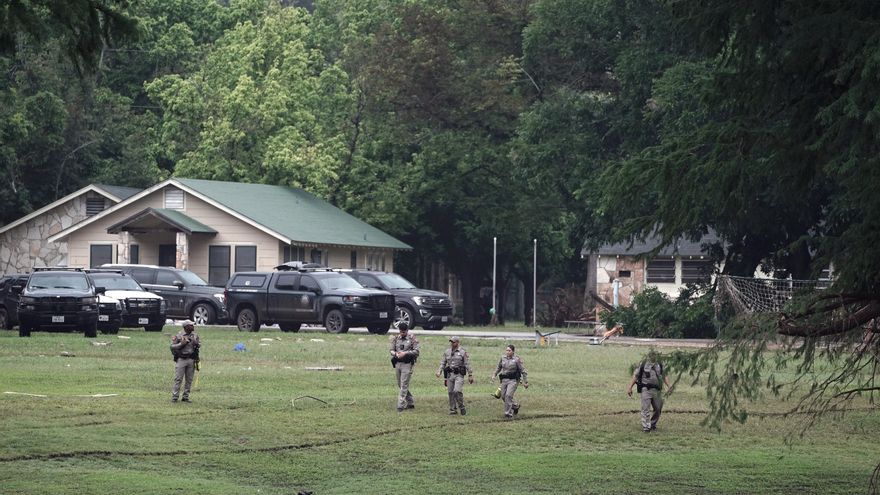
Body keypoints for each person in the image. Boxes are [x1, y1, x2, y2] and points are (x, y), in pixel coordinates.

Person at [626, 350, 672, 432]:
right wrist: (630, 387)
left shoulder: (660, 365)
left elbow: (664, 375)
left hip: (657, 390)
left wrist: (669, 386)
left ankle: (652, 424)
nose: (653, 357)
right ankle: (646, 427)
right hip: (646, 389)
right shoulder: (643, 364)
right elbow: (636, 376)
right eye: (652, 356)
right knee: (645, 408)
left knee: (658, 408)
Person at [436, 336, 474, 415]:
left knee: (457, 391)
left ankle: (461, 407)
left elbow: (467, 364)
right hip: (450, 374)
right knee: (450, 392)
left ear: (457, 342)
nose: (452, 343)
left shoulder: (463, 352)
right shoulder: (447, 352)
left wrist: (470, 375)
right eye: (451, 342)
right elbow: (443, 363)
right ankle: (453, 409)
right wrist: (439, 371)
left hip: (459, 374)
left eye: (453, 342)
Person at [491, 344, 528, 419]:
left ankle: (508, 414)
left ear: (513, 351)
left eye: (509, 350)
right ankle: (515, 406)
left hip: (513, 380)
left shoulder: (517, 360)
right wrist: (494, 374)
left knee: (508, 395)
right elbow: (499, 367)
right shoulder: (503, 358)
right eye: (506, 350)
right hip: (504, 380)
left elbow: (523, 371)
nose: (507, 352)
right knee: (504, 396)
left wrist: (525, 382)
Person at [389, 322, 420, 412]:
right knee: (400, 384)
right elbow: (391, 349)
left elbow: (417, 351)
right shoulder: (396, 338)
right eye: (401, 332)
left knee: (404, 384)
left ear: (407, 330)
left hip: (407, 364)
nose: (402, 333)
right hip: (398, 363)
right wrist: (395, 353)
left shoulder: (412, 338)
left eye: (404, 332)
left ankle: (400, 405)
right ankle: (410, 401)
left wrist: (405, 353)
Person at [170, 319, 200, 403]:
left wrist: (195, 342)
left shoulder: (195, 335)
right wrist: (181, 344)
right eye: (191, 325)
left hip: (191, 359)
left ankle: (185, 397)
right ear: (186, 327)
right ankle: (175, 397)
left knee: (189, 379)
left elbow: (199, 345)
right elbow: (172, 346)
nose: (193, 326)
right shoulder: (179, 335)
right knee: (178, 378)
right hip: (181, 359)